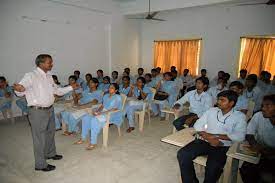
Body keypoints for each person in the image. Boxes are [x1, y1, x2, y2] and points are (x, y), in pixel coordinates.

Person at [13, 54, 79, 172]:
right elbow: (20, 89)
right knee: (39, 138)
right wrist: (19, 90)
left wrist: (71, 87)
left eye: (51, 62)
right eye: (49, 62)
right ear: (41, 63)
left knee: (50, 133)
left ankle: (50, 153)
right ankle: (40, 164)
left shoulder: (49, 76)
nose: (51, 64)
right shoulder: (31, 76)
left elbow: (57, 91)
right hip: (37, 111)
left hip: (49, 109)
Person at [177, 90, 247, 183]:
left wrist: (215, 136)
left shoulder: (239, 116)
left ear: (231, 103)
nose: (218, 102)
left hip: (222, 145)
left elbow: (240, 136)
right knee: (183, 154)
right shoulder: (211, 111)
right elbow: (197, 125)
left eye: (222, 100)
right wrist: (208, 137)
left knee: (213, 168)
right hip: (205, 140)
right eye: (218, 99)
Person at [74, 83, 123, 150]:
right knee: (86, 117)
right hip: (103, 112)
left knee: (94, 120)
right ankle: (83, 138)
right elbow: (102, 106)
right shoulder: (106, 96)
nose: (109, 89)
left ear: (116, 90)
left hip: (112, 114)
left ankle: (93, 142)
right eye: (109, 87)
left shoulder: (118, 97)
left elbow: (115, 109)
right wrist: (98, 111)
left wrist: (101, 113)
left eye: (112, 88)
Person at [240, 95, 275, 183]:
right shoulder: (259, 116)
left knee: (266, 177)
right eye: (262, 105)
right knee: (245, 170)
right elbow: (249, 133)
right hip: (261, 152)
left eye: (268, 105)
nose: (263, 108)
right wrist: (255, 145)